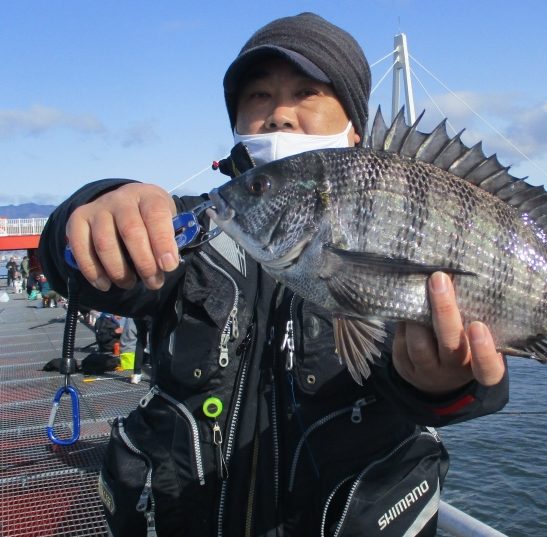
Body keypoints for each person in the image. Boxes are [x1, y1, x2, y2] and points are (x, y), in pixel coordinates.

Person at [39, 13, 508, 537]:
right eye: (259, 95)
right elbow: (73, 269)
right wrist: (96, 209)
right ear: (236, 121)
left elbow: (455, 386)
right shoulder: (186, 231)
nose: (280, 114)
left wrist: (443, 385)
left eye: (307, 92)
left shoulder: (388, 214)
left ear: (355, 128)